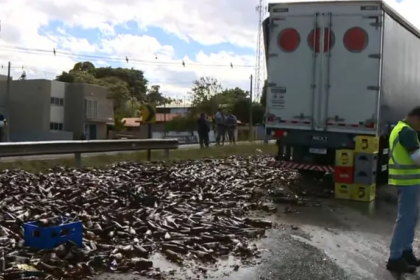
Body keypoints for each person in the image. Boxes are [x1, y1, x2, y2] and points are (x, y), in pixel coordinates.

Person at [387, 106, 420, 274]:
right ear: (416, 118)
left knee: (411, 218)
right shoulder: (406, 132)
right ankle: (395, 258)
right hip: (407, 182)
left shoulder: (402, 128)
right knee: (405, 219)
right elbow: (417, 159)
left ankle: (406, 252)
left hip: (410, 181)